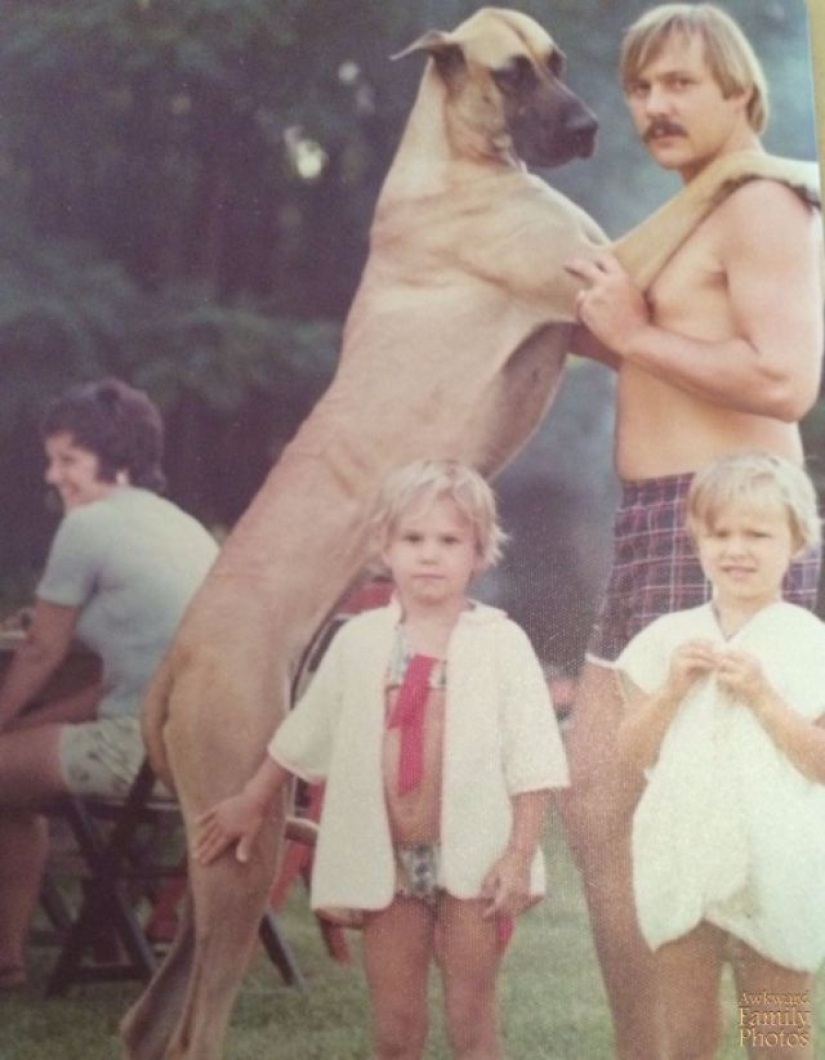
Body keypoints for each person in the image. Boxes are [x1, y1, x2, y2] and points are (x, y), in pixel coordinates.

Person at [561, 5, 823, 1057]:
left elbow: (786, 378)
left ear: (741, 95)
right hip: (651, 525)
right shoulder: (690, 217)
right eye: (642, 88)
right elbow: (653, 344)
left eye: (682, 84)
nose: (657, 106)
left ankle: (746, 1044)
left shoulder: (763, 203)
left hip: (720, 520)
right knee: (605, 809)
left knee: (726, 817)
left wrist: (631, 334)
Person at [195, 459, 569, 1060]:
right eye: (413, 539)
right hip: (386, 864)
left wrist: (519, 854)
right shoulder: (361, 640)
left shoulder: (502, 643)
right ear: (384, 549)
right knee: (396, 1026)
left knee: (471, 1015)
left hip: (474, 861)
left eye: (449, 541)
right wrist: (252, 799)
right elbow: (306, 730)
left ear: (478, 552)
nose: (429, 555)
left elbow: (534, 758)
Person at [0, 378, 218, 989]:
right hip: (191, 752)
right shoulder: (179, 524)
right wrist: (23, 725)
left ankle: (11, 956)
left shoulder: (89, 527)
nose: (52, 475)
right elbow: (116, 680)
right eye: (52, 459)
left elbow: (42, 648)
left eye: (67, 459)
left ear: (116, 456)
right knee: (11, 787)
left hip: (141, 749)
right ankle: (10, 958)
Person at [616, 452, 825, 1060]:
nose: (737, 549)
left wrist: (763, 697)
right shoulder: (662, 640)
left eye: (758, 533)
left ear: (796, 541)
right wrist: (673, 689)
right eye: (721, 533)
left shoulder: (810, 644)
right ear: (697, 540)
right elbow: (633, 749)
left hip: (776, 865)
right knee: (687, 1041)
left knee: (777, 1041)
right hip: (683, 856)